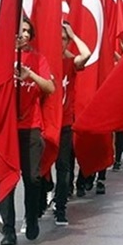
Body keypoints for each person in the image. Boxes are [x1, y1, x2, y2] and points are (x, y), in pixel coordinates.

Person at [0, 18, 55, 245]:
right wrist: (4, 42)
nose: (22, 34)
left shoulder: (38, 59)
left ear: (31, 36)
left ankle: (31, 217)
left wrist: (30, 75)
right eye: (19, 30)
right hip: (6, 129)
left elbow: (50, 87)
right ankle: (9, 231)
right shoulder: (2, 56)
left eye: (26, 31)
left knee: (32, 178)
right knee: (6, 179)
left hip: (31, 127)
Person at [54, 22, 91, 226]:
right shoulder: (43, 60)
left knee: (63, 166)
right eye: (57, 38)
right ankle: (40, 202)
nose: (60, 42)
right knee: (39, 170)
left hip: (65, 123)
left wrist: (74, 35)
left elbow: (86, 54)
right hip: (45, 123)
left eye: (63, 39)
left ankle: (60, 208)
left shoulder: (70, 62)